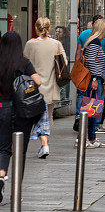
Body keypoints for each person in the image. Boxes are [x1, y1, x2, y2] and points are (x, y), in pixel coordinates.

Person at [0, 31, 44, 199]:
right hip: (21, 111)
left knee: (3, 148)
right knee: (20, 150)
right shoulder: (23, 62)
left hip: (1, 108)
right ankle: (16, 190)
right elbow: (38, 81)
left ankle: (1, 174)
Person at [23, 17, 66, 159]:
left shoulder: (30, 44)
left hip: (34, 87)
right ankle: (45, 144)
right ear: (49, 29)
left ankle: (43, 144)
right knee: (49, 116)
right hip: (51, 86)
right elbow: (64, 62)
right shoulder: (56, 44)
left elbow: (25, 64)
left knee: (35, 117)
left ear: (36, 28)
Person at [79, 20, 105, 148]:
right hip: (93, 81)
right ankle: (88, 138)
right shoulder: (94, 43)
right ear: (102, 29)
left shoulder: (95, 42)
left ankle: (91, 137)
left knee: (93, 110)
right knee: (91, 110)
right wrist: (94, 79)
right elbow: (92, 63)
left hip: (97, 79)